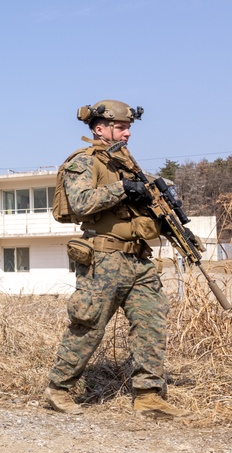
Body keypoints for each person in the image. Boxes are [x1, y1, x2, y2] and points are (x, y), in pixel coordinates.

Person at [44, 100, 187, 418]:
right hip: (103, 258)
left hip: (139, 259)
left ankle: (148, 395)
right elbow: (81, 203)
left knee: (151, 324)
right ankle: (59, 390)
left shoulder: (130, 167)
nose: (128, 133)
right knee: (89, 324)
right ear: (100, 128)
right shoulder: (84, 162)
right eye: (122, 127)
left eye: (128, 127)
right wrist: (123, 188)